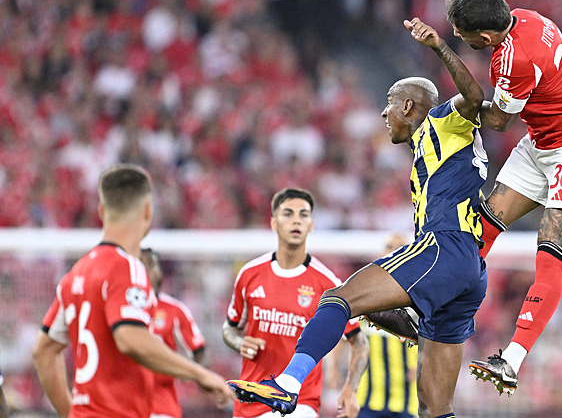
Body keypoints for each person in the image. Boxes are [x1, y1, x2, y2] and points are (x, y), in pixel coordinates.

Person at [227, 19, 490, 418]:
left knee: (336, 299)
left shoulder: (442, 121)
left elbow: (473, 97)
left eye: (389, 102)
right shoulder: (434, 147)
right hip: (471, 265)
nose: (384, 112)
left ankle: (286, 383)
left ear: (407, 106)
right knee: (435, 407)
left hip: (443, 247)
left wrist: (437, 47)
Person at [420, 0, 562, 395]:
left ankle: (512, 359)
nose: (463, 41)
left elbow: (496, 121)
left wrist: (456, 91)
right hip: (543, 141)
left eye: (464, 36)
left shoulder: (511, 61)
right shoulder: (527, 16)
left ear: (486, 38)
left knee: (550, 250)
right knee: (480, 228)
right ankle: (421, 306)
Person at [31, 163, 232, 418]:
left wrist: (70, 412)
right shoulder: (128, 267)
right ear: (148, 211)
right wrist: (199, 374)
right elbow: (130, 339)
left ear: (101, 211)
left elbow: (43, 350)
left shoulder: (76, 273)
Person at [223, 188, 370, 418]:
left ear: (311, 225)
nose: (296, 221)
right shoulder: (249, 274)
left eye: (303, 215)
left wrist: (351, 389)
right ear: (273, 223)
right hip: (250, 400)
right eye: (288, 213)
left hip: (301, 404)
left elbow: (359, 341)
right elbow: (229, 328)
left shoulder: (327, 283)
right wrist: (238, 342)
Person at [140, 247, 209, 418]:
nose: (146, 270)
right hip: (125, 403)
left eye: (151, 264)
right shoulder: (122, 310)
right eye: (141, 264)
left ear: (160, 272)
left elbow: (200, 352)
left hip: (162, 406)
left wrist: (185, 372)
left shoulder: (175, 310)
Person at [357, 234, 418, 418]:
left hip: (406, 400)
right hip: (369, 397)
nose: (395, 251)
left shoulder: (421, 297)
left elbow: (442, 335)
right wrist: (334, 367)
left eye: (401, 247)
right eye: (390, 246)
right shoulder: (365, 296)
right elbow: (348, 333)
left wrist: (426, 363)